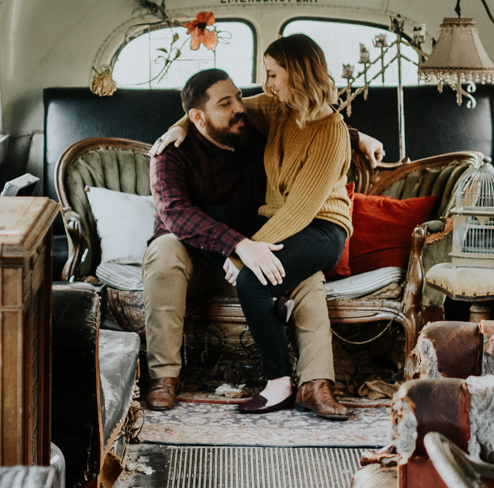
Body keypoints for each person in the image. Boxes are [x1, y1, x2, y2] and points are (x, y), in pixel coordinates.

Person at [149, 35, 361, 416]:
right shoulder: (275, 111)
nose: (262, 89)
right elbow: (177, 212)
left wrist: (246, 252)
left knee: (264, 276)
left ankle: (299, 384)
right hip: (264, 229)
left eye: (272, 74)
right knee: (210, 218)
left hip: (318, 225)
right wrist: (179, 124)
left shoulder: (323, 129)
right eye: (226, 103)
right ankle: (165, 376)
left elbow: (300, 208)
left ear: (295, 75)